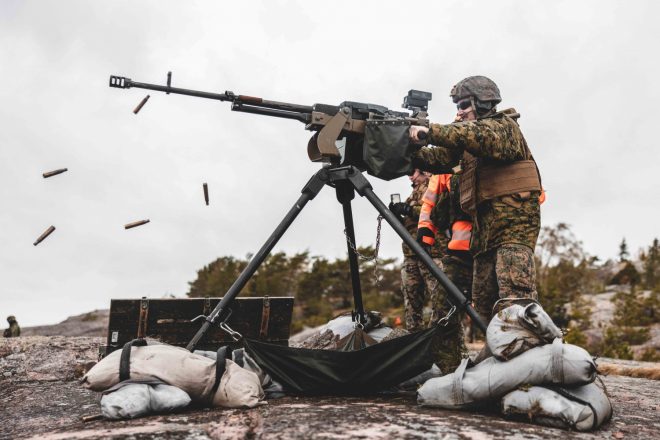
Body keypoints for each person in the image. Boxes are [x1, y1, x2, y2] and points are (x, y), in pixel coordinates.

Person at [409, 75, 544, 323]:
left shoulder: (503, 127)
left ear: (482, 103)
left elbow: (475, 134)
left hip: (513, 227)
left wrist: (430, 132)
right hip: (483, 232)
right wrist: (404, 146)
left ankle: (527, 354)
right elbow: (439, 158)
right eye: (456, 107)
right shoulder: (467, 139)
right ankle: (489, 355)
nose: (459, 113)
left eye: (463, 106)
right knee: (484, 307)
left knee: (514, 300)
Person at [418, 173, 473, 370]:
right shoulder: (447, 164)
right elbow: (429, 201)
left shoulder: (497, 154)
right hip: (458, 253)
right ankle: (447, 371)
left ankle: (498, 371)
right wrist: (425, 230)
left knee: (494, 313)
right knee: (444, 312)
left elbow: (534, 194)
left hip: (492, 252)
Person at [389, 169, 445, 332]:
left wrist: (408, 210)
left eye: (412, 172)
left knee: (440, 301)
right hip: (411, 254)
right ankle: (415, 341)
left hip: (431, 252)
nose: (410, 176)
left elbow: (436, 212)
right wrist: (397, 214)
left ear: (426, 171)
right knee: (411, 304)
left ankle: (446, 342)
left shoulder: (436, 185)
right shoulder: (414, 193)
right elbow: (409, 224)